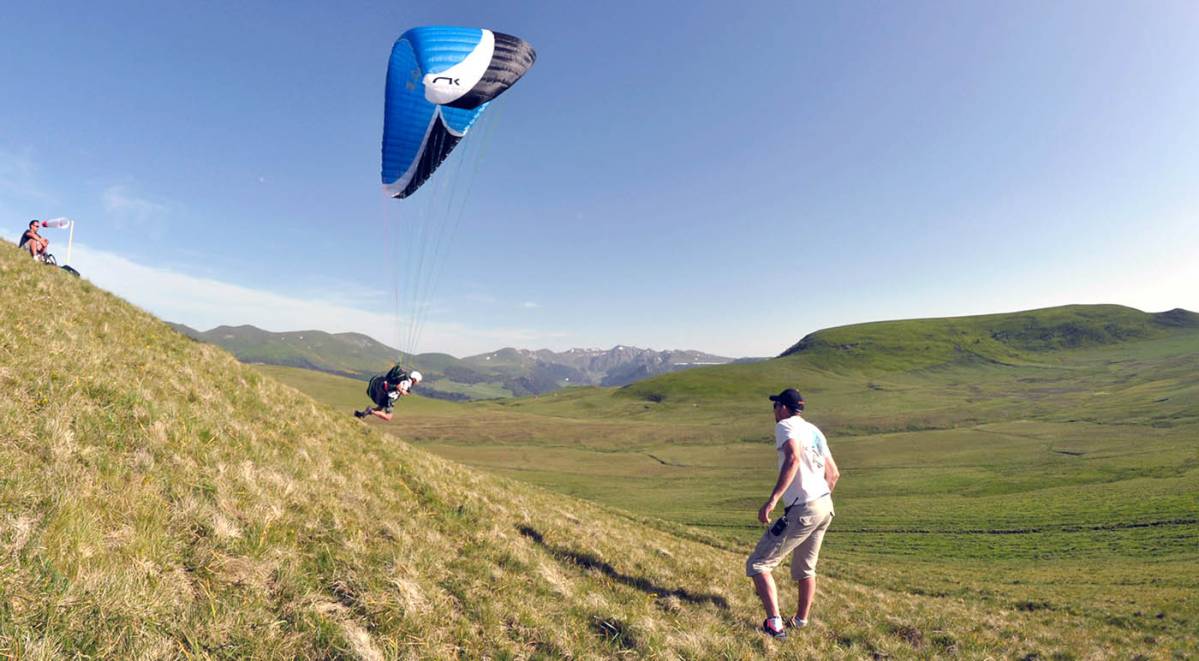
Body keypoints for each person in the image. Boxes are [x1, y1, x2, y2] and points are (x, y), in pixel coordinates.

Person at [745, 388, 840, 639]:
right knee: (805, 570)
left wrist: (773, 500)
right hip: (824, 506)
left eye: (775, 406)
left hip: (803, 508)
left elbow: (793, 458)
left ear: (784, 408)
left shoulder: (786, 426)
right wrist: (818, 498)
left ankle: (774, 624)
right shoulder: (815, 430)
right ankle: (800, 620)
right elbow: (834, 475)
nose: (774, 412)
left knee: (758, 563)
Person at [354, 365, 422, 421]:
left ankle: (361, 414)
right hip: (390, 398)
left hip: (387, 396)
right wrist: (402, 391)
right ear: (414, 379)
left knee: (379, 409)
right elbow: (398, 387)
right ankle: (370, 411)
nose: (417, 383)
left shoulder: (406, 380)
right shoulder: (407, 382)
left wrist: (404, 392)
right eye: (417, 381)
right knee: (388, 417)